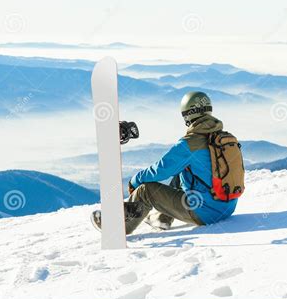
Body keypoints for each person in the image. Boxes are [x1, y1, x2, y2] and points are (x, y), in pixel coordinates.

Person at [91, 91, 240, 234]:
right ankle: (162, 219)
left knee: (146, 191)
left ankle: (117, 227)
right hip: (227, 207)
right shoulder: (224, 138)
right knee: (183, 172)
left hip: (205, 213)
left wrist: (135, 181)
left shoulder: (189, 144)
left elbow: (161, 170)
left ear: (187, 115)